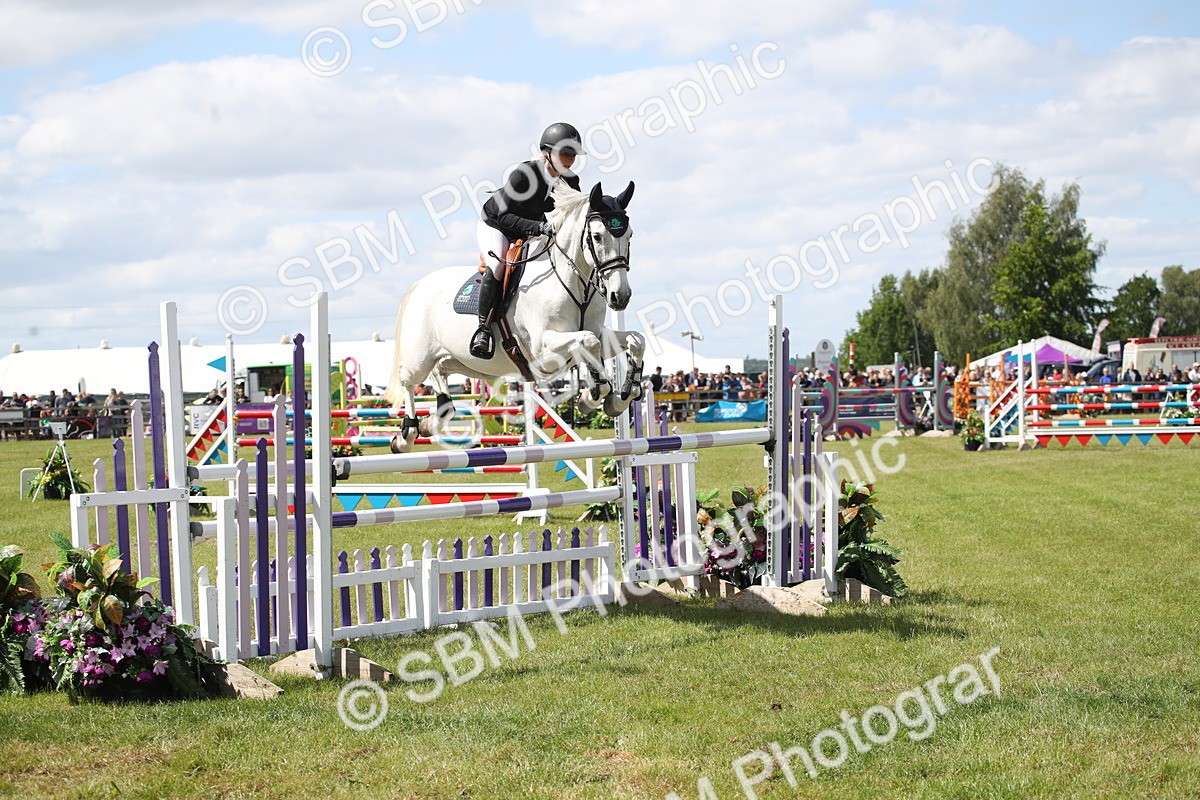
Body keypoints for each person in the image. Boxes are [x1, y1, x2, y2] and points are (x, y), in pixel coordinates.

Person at [472, 122, 586, 359]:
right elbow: (503, 215)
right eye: (565, 153)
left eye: (573, 155)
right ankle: (483, 330)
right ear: (548, 152)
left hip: (533, 227)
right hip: (497, 225)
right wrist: (539, 227)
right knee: (498, 264)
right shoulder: (524, 174)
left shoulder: (570, 181)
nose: (570, 160)